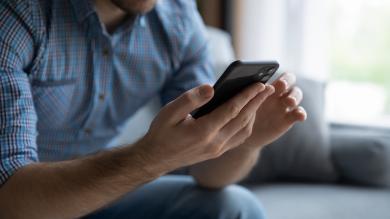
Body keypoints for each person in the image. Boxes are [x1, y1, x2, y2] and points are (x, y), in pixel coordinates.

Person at [0, 0, 307, 218]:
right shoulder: (17, 16)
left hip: (100, 197)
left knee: (235, 207)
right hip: (25, 200)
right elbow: (9, 198)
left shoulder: (178, 21)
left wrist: (245, 138)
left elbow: (208, 174)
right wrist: (150, 158)